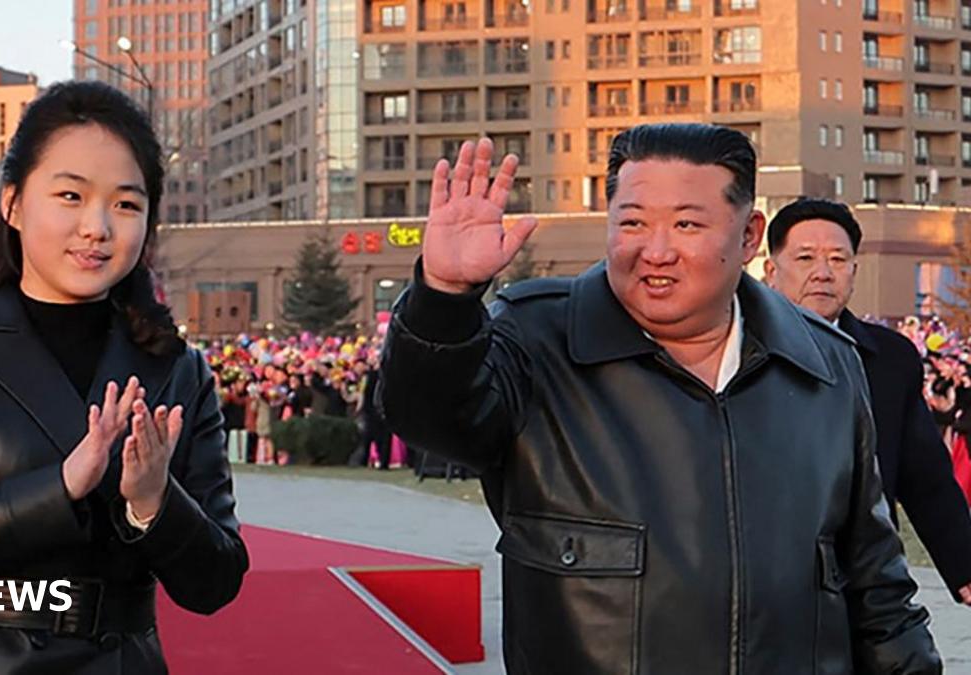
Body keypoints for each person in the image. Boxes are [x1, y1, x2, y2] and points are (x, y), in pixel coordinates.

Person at [378, 124, 940, 673]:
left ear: (748, 236)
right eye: (633, 223)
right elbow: (432, 419)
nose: (656, 250)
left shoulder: (825, 364)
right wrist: (444, 298)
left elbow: (875, 582)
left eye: (688, 224)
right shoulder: (538, 338)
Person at [0, 81, 249, 674]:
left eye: (126, 204)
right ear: (13, 204)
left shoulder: (177, 369)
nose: (97, 227)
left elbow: (216, 583)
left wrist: (152, 503)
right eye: (70, 195)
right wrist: (59, 487)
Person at [764, 198, 971, 604]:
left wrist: (965, 567)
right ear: (771, 271)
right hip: (766, 573)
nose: (822, 273)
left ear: (854, 271)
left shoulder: (890, 358)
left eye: (838, 259)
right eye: (805, 258)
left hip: (867, 576)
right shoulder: (735, 350)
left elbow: (924, 475)